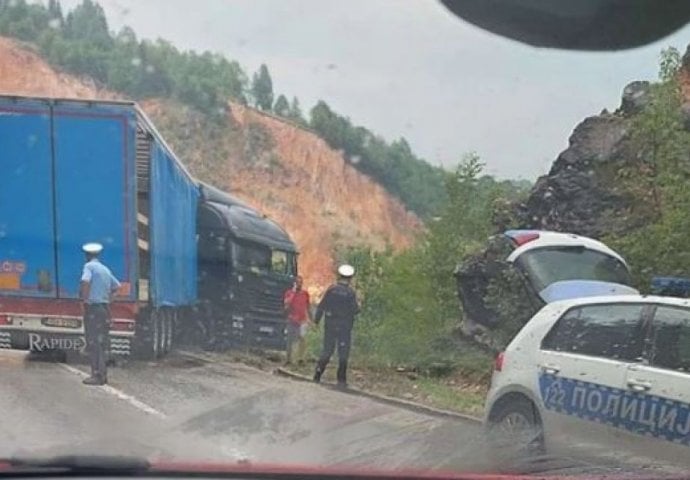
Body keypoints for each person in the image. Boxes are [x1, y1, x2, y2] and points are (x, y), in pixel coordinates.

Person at [79, 242, 121, 386]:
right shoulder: (105, 270)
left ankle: (97, 375)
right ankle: (102, 374)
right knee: (101, 342)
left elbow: (85, 282)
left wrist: (84, 301)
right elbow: (117, 287)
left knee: (93, 343)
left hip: (93, 309)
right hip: (103, 309)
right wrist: (108, 300)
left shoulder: (89, 267)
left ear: (87, 255)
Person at [313, 264, 360, 388]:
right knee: (343, 353)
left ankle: (317, 374)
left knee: (327, 350)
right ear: (350, 278)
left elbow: (321, 306)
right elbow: (355, 310)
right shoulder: (350, 293)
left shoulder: (331, 290)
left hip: (330, 325)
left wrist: (316, 321)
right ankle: (341, 380)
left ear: (339, 276)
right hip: (344, 327)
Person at [283, 275, 312, 365]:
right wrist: (293, 293)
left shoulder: (305, 294)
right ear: (294, 283)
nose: (299, 284)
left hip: (302, 320)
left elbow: (308, 307)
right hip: (292, 319)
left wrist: (311, 319)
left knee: (302, 338)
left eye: (301, 283)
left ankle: (301, 359)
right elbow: (286, 305)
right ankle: (288, 359)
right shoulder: (289, 293)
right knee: (290, 340)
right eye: (297, 283)